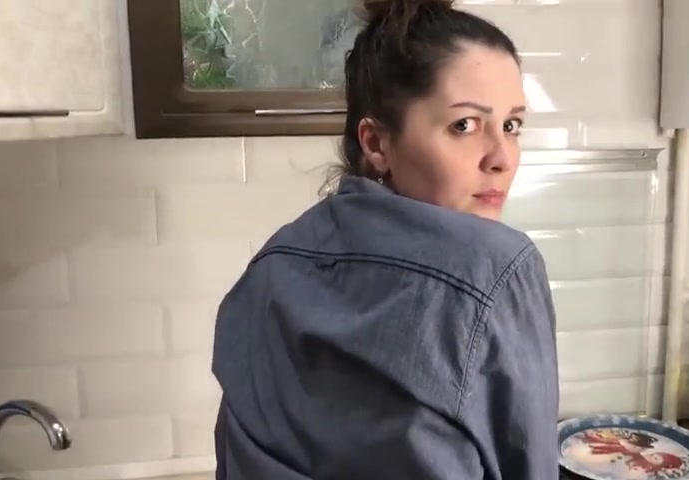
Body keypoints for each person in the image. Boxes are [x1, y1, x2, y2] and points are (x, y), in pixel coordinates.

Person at [211, 0, 560, 478]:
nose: (502, 157)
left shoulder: (272, 264)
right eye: (464, 125)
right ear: (376, 143)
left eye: (511, 125)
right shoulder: (497, 270)